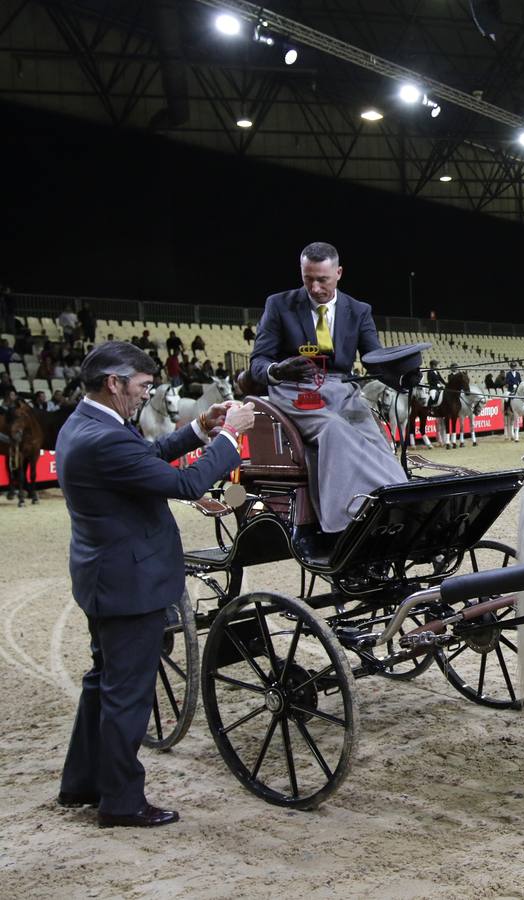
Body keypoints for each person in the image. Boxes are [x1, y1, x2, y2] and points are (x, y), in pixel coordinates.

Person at [56, 341, 253, 828]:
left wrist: (199, 429)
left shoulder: (88, 424)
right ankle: (121, 803)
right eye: (142, 387)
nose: (146, 396)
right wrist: (229, 437)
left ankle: (81, 782)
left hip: (104, 575)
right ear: (113, 382)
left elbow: (146, 455)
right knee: (128, 694)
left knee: (103, 684)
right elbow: (185, 485)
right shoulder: (103, 437)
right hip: (130, 581)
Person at [249, 241, 407, 550]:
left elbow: (373, 358)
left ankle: (395, 500)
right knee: (333, 430)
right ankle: (339, 525)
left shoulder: (359, 310)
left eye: (322, 279)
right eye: (308, 278)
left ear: (338, 273)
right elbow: (258, 362)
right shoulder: (279, 305)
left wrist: (402, 370)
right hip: (295, 390)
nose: (315, 287)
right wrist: (279, 370)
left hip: (342, 390)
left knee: (373, 434)